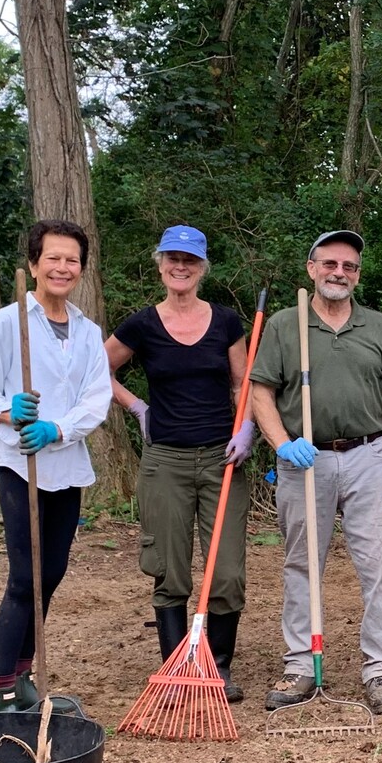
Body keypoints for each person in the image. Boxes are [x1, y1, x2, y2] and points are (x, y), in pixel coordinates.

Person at [251, 230, 382, 714]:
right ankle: (301, 666)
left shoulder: (380, 327)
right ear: (311, 268)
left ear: (357, 275)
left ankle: (380, 671)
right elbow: (261, 393)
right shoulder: (286, 326)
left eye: (348, 266)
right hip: (307, 457)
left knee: (381, 567)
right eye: (329, 264)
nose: (338, 272)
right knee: (303, 564)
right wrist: (284, 444)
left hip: (370, 456)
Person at [0, 220, 111, 711]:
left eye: (72, 260)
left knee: (52, 573)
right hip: (20, 468)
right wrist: (10, 411)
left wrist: (58, 428)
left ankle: (25, 678)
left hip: (66, 464)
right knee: (25, 577)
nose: (63, 267)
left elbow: (96, 399)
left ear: (81, 270)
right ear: (34, 265)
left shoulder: (89, 333)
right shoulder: (8, 324)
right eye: (53, 258)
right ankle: (3, 689)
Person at [104, 226, 254, 702]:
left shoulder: (227, 322)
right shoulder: (140, 325)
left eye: (190, 259)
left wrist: (245, 426)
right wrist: (135, 406)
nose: (181, 266)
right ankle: (178, 671)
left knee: (226, 571)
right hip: (164, 459)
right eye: (173, 258)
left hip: (220, 459)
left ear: (202, 266)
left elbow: (242, 383)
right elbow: (94, 367)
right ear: (160, 263)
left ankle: (217, 669)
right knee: (170, 568)